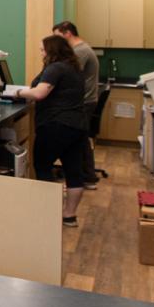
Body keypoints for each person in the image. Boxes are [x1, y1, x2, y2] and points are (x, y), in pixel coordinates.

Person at [19, 34, 90, 227]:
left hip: (56, 125)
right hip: (77, 126)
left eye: (43, 50)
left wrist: (16, 92)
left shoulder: (55, 68)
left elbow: (40, 93)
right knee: (74, 171)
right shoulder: (74, 68)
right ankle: (69, 216)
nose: (41, 53)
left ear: (52, 51)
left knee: (42, 165)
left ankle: (47, 213)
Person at [53, 20, 100, 189]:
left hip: (84, 101)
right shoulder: (82, 49)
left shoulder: (80, 52)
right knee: (81, 138)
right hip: (86, 100)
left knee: (79, 139)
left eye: (58, 37)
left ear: (67, 33)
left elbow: (67, 75)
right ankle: (86, 175)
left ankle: (87, 176)